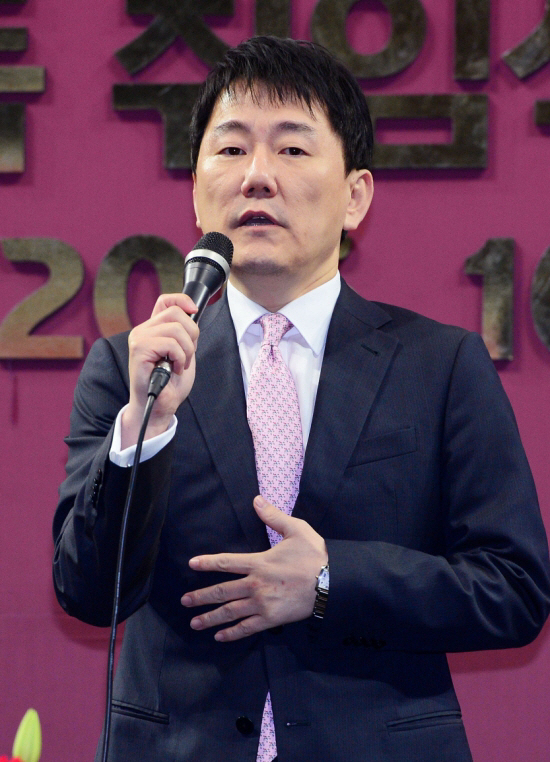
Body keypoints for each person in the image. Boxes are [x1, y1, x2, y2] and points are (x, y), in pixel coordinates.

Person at [53, 36, 550, 762]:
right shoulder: (131, 370)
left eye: (291, 149)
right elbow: (87, 592)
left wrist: (328, 581)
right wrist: (147, 426)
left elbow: (514, 588)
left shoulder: (440, 365)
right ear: (195, 191)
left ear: (355, 196)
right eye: (231, 150)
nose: (257, 176)